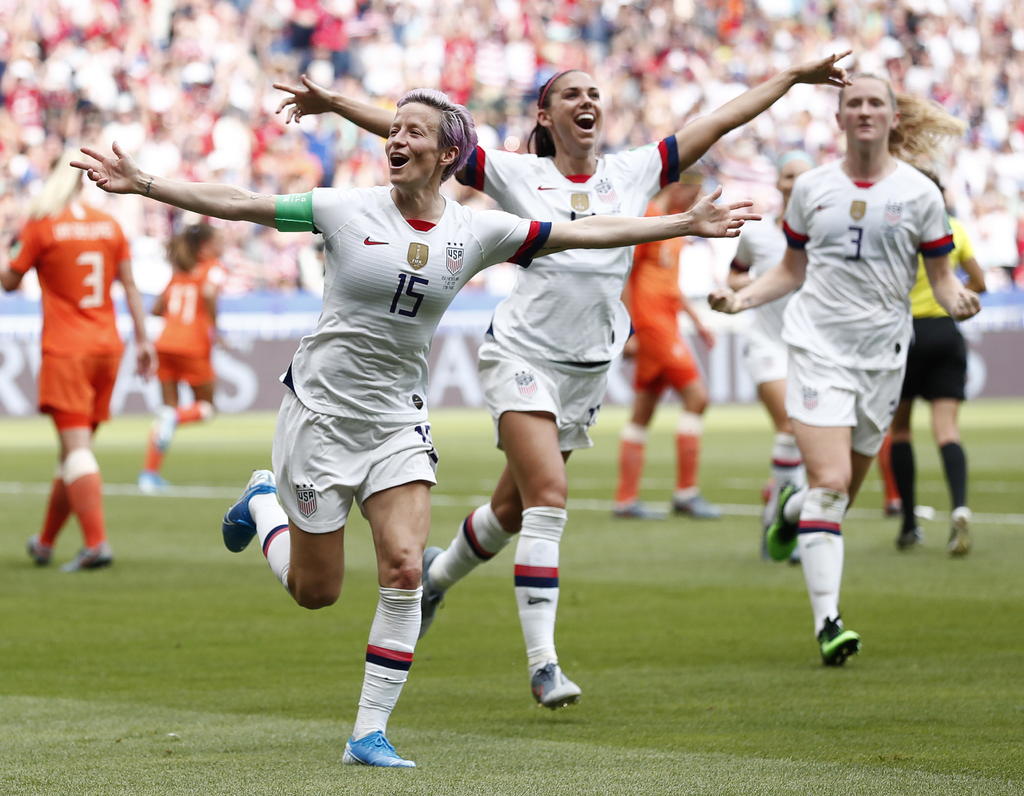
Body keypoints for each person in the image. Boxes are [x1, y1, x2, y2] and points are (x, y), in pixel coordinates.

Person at [72, 89, 756, 766]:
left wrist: (679, 225)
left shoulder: (476, 230)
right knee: (318, 592)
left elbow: (582, 233)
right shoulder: (344, 209)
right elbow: (242, 202)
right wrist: (146, 184)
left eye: (414, 133)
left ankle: (368, 734)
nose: (396, 141)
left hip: (398, 418)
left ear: (447, 155)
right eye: (393, 130)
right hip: (319, 414)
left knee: (403, 567)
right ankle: (263, 502)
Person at [275, 51, 850, 708]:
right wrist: (336, 106)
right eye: (571, 94)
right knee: (549, 495)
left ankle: (434, 578)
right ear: (545, 115)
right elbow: (427, 134)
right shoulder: (517, 173)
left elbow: (718, 121)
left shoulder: (635, 170)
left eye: (595, 93)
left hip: (588, 366)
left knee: (512, 509)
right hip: (522, 353)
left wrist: (789, 79)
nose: (588, 101)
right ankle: (544, 664)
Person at [709, 74, 981, 667]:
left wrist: (958, 300)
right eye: (853, 102)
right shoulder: (811, 188)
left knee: (836, 494)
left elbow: (940, 282)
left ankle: (786, 512)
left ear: (890, 118)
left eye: (874, 102)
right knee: (831, 486)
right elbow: (789, 271)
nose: (863, 110)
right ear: (838, 119)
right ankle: (829, 622)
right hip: (816, 349)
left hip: (884, 357)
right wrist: (742, 299)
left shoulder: (920, 195)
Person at [0, 151, 154, 572]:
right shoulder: (109, 225)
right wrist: (144, 340)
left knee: (77, 452)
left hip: (66, 349)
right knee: (73, 452)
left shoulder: (41, 224)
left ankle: (96, 544)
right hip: (108, 348)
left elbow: (10, 282)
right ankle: (46, 542)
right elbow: (130, 285)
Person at [883, 169, 987, 554]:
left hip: (903, 334)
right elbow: (980, 281)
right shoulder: (955, 229)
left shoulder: (896, 228)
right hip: (945, 331)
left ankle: (909, 523)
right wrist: (957, 294)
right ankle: (959, 506)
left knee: (901, 431)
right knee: (947, 431)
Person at [613, 174, 721, 520]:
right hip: (652, 327)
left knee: (643, 411)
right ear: (679, 186)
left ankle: (625, 499)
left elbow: (669, 286)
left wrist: (698, 322)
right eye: (695, 192)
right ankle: (686, 494)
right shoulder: (648, 218)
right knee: (697, 398)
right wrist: (630, 330)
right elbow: (627, 275)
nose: (697, 200)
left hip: (667, 323)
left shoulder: (676, 226)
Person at [728, 151, 815, 553]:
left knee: (808, 437)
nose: (794, 182)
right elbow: (735, 273)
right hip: (767, 344)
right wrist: (741, 292)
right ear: (778, 184)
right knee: (791, 427)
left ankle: (776, 517)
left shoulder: (829, 234)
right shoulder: (758, 232)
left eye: (802, 176)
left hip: (812, 349)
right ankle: (789, 531)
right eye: (788, 175)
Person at [138, 223, 226, 493]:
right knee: (206, 408)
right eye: (218, 241)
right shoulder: (211, 267)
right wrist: (213, 325)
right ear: (206, 246)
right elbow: (210, 293)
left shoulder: (179, 274)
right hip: (193, 345)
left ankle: (149, 475)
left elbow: (155, 309)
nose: (222, 245)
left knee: (168, 410)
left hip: (164, 343)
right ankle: (174, 419)